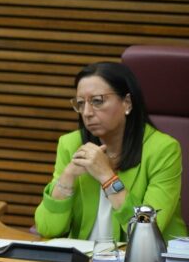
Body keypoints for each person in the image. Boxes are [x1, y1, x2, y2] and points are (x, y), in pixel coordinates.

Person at [35, 62, 186, 242]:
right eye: (81, 103)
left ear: (126, 103)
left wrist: (107, 177)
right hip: (84, 256)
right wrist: (67, 177)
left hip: (146, 257)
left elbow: (146, 231)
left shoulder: (163, 150)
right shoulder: (71, 144)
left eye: (97, 101)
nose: (87, 112)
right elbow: (47, 228)